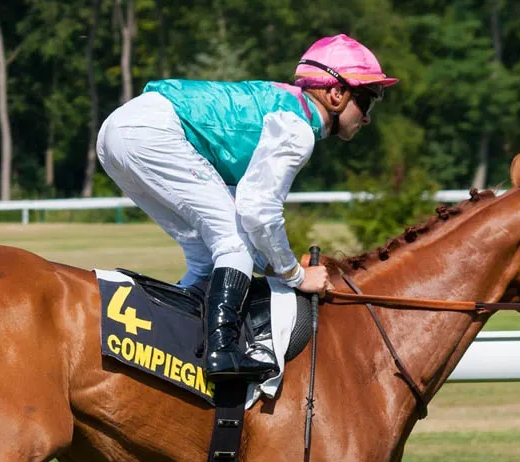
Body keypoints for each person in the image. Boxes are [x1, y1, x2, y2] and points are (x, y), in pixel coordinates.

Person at [96, 34, 398, 381]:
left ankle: (172, 348)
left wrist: (273, 266)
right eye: (367, 102)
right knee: (232, 244)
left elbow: (245, 209)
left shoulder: (286, 108)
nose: (367, 118)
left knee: (207, 255)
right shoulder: (297, 129)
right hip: (149, 132)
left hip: (120, 132)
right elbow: (258, 212)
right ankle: (220, 356)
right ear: (336, 94)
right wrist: (296, 276)